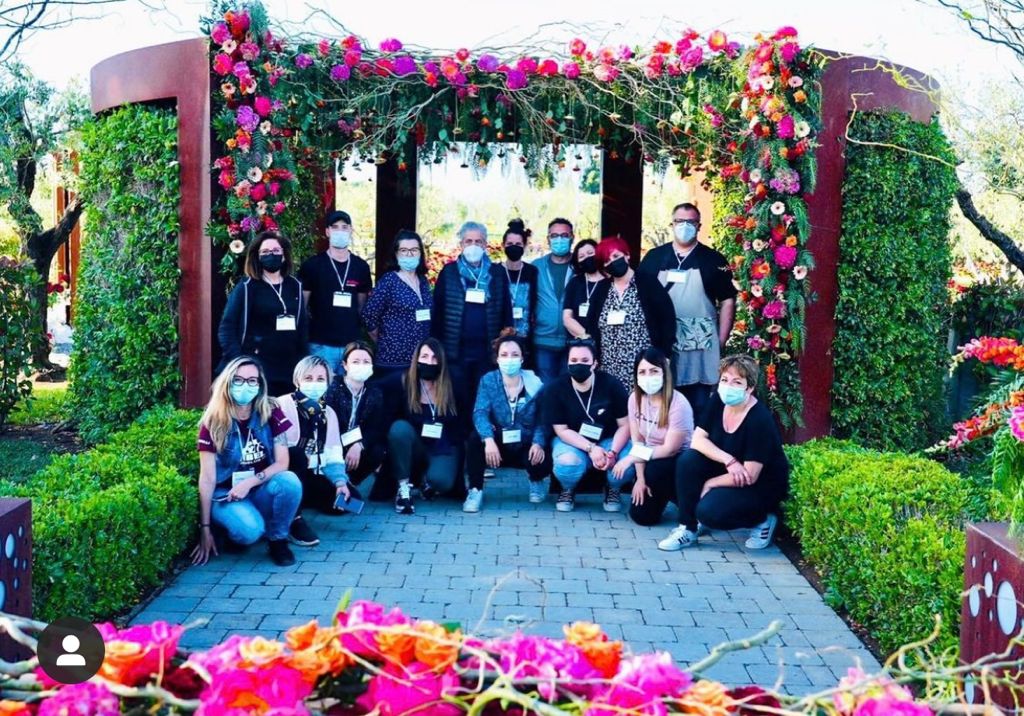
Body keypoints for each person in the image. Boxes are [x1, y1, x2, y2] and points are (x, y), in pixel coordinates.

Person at [658, 354, 790, 552]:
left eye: (737, 382)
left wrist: (710, 483)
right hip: (731, 471)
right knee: (688, 460)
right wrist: (729, 460)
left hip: (758, 485)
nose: (728, 386)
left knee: (709, 512)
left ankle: (763, 519)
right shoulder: (718, 401)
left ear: (750, 388)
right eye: (725, 380)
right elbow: (698, 440)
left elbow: (750, 475)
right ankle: (687, 528)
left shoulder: (759, 419)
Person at [192, 357, 303, 567]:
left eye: (252, 380)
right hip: (227, 495)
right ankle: (229, 529)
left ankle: (278, 539)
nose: (246, 385)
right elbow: (207, 478)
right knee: (250, 531)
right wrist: (204, 528)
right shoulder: (212, 422)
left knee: (289, 481)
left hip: (258, 488)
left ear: (260, 385)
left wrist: (249, 483)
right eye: (238, 380)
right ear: (227, 382)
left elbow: (282, 463)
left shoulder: (270, 411)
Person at [637, 203, 737, 419]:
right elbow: (639, 297)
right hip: (661, 340)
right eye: (680, 221)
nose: (685, 226)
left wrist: (720, 340)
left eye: (690, 222)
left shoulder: (713, 260)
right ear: (671, 224)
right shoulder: (654, 257)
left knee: (698, 403)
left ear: (699, 226)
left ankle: (697, 439)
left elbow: (728, 300)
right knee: (661, 400)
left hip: (701, 344)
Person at [464, 335, 552, 512]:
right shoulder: (488, 380)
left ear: (522, 358)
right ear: (497, 358)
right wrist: (488, 439)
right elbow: (480, 412)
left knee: (543, 454)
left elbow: (542, 419)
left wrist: (538, 443)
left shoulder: (536, 384)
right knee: (475, 440)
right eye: (504, 355)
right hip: (498, 443)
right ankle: (475, 490)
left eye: (514, 355)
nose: (509, 359)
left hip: (525, 441)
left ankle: (536, 479)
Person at [542, 338, 631, 513]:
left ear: (594, 363)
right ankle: (567, 488)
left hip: (608, 439)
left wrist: (613, 452)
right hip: (572, 441)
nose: (578, 365)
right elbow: (561, 430)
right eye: (573, 360)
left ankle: (613, 487)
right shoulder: (555, 388)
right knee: (567, 464)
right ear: (567, 363)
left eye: (584, 360)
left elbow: (625, 425)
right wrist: (591, 448)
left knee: (626, 462)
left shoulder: (611, 385)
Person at [608, 348, 694, 526]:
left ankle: (688, 504)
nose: (648, 377)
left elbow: (670, 450)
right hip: (650, 457)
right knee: (642, 517)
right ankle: (663, 496)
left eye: (654, 371)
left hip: (679, 460)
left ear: (664, 373)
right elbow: (638, 441)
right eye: (642, 372)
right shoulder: (634, 399)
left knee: (656, 470)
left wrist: (631, 458)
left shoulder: (679, 403)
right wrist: (640, 479)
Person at [217, 232, 309, 396]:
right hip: (257, 367)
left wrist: (303, 361)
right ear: (257, 257)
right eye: (265, 252)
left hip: (289, 367)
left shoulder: (295, 286)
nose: (271, 255)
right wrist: (239, 362)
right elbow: (227, 327)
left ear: (283, 255)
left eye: (275, 250)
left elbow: (302, 326)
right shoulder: (247, 287)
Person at [276, 355, 353, 548]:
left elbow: (334, 453)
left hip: (314, 473)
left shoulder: (329, 413)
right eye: (308, 378)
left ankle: (304, 500)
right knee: (297, 455)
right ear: (297, 380)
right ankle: (294, 518)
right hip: (286, 473)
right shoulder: (281, 405)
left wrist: (340, 482)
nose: (314, 383)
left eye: (320, 379)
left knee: (351, 502)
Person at [387, 338, 470, 515]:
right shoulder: (404, 382)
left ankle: (425, 480)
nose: (429, 362)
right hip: (415, 444)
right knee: (399, 429)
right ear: (416, 359)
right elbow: (376, 389)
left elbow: (464, 421)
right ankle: (403, 488)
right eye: (424, 357)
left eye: (434, 358)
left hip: (443, 444)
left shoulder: (453, 383)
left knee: (442, 482)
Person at [431, 221, 514, 398]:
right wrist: (436, 346)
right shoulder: (449, 272)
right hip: (455, 351)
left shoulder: (497, 272)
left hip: (487, 351)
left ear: (485, 244)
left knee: (483, 397)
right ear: (461, 244)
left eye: (478, 241)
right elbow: (437, 311)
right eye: (468, 241)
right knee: (458, 397)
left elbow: (506, 308)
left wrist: (506, 338)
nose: (473, 245)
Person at [584, 237, 674, 391]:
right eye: (606, 261)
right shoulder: (601, 289)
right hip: (609, 368)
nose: (612, 262)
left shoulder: (648, 283)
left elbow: (667, 319)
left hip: (644, 367)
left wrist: (664, 355)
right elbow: (591, 324)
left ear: (627, 255)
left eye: (616, 256)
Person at [298, 210, 373, 376]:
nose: (340, 231)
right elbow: (302, 306)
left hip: (351, 346)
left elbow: (361, 307)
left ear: (351, 231)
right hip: (320, 344)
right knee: (322, 388)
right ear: (327, 232)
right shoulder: (312, 265)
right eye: (335, 227)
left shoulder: (361, 267)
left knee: (350, 388)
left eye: (344, 227)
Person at [362, 230, 434, 382]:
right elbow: (369, 316)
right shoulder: (389, 281)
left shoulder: (423, 281)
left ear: (420, 253)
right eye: (404, 250)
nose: (409, 254)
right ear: (396, 254)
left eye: (414, 250)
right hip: (392, 361)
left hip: (419, 360)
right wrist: (385, 340)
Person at [324, 341, 387, 489]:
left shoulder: (374, 392)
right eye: (356, 362)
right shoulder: (332, 388)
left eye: (366, 362)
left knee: (378, 450)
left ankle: (351, 483)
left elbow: (375, 427)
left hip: (355, 444)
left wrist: (359, 445)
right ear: (345, 365)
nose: (361, 365)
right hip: (332, 444)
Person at [532, 218, 575, 382]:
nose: (559, 240)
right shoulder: (536, 267)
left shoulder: (580, 266)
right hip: (543, 340)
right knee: (546, 388)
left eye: (564, 235)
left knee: (568, 388)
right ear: (548, 239)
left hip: (572, 341)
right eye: (554, 235)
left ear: (572, 237)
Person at [501, 219, 539, 343]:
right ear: (503, 245)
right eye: (510, 243)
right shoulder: (495, 271)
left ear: (525, 246)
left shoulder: (532, 271)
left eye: (518, 244)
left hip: (526, 338)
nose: (514, 247)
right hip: (500, 339)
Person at [562, 239, 604, 340]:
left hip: (606, 342)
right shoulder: (574, 283)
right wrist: (588, 337)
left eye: (590, 253)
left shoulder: (611, 282)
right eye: (581, 256)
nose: (587, 258)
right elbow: (567, 318)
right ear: (578, 262)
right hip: (580, 342)